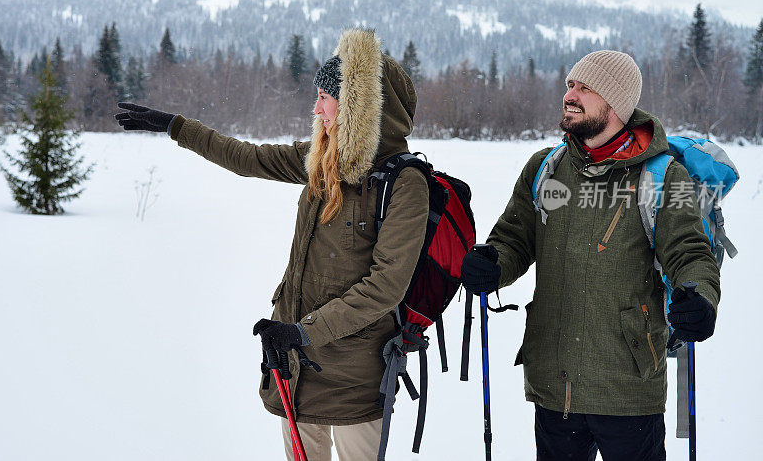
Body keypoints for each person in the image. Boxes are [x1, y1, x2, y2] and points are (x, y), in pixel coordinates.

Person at [115, 28, 429, 461]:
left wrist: (304, 331)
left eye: (326, 97)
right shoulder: (322, 159)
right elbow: (248, 157)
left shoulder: (405, 183)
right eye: (317, 94)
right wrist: (175, 126)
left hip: (354, 378)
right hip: (296, 364)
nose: (316, 107)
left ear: (357, 107)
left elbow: (385, 286)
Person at [461, 50, 720, 461]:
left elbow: (689, 252)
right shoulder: (545, 167)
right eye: (569, 85)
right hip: (553, 384)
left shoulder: (664, 176)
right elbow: (514, 238)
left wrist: (699, 295)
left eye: (585, 87)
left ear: (615, 103)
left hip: (628, 388)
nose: (570, 94)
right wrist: (492, 263)